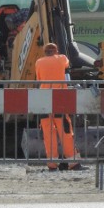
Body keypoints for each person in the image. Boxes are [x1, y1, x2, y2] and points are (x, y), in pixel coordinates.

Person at [35, 42, 81, 171]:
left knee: (48, 133)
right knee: (65, 131)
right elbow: (67, 65)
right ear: (56, 51)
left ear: (45, 52)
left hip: (44, 101)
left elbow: (39, 78)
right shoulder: (62, 58)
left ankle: (52, 164)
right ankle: (73, 162)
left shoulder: (38, 62)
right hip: (59, 100)